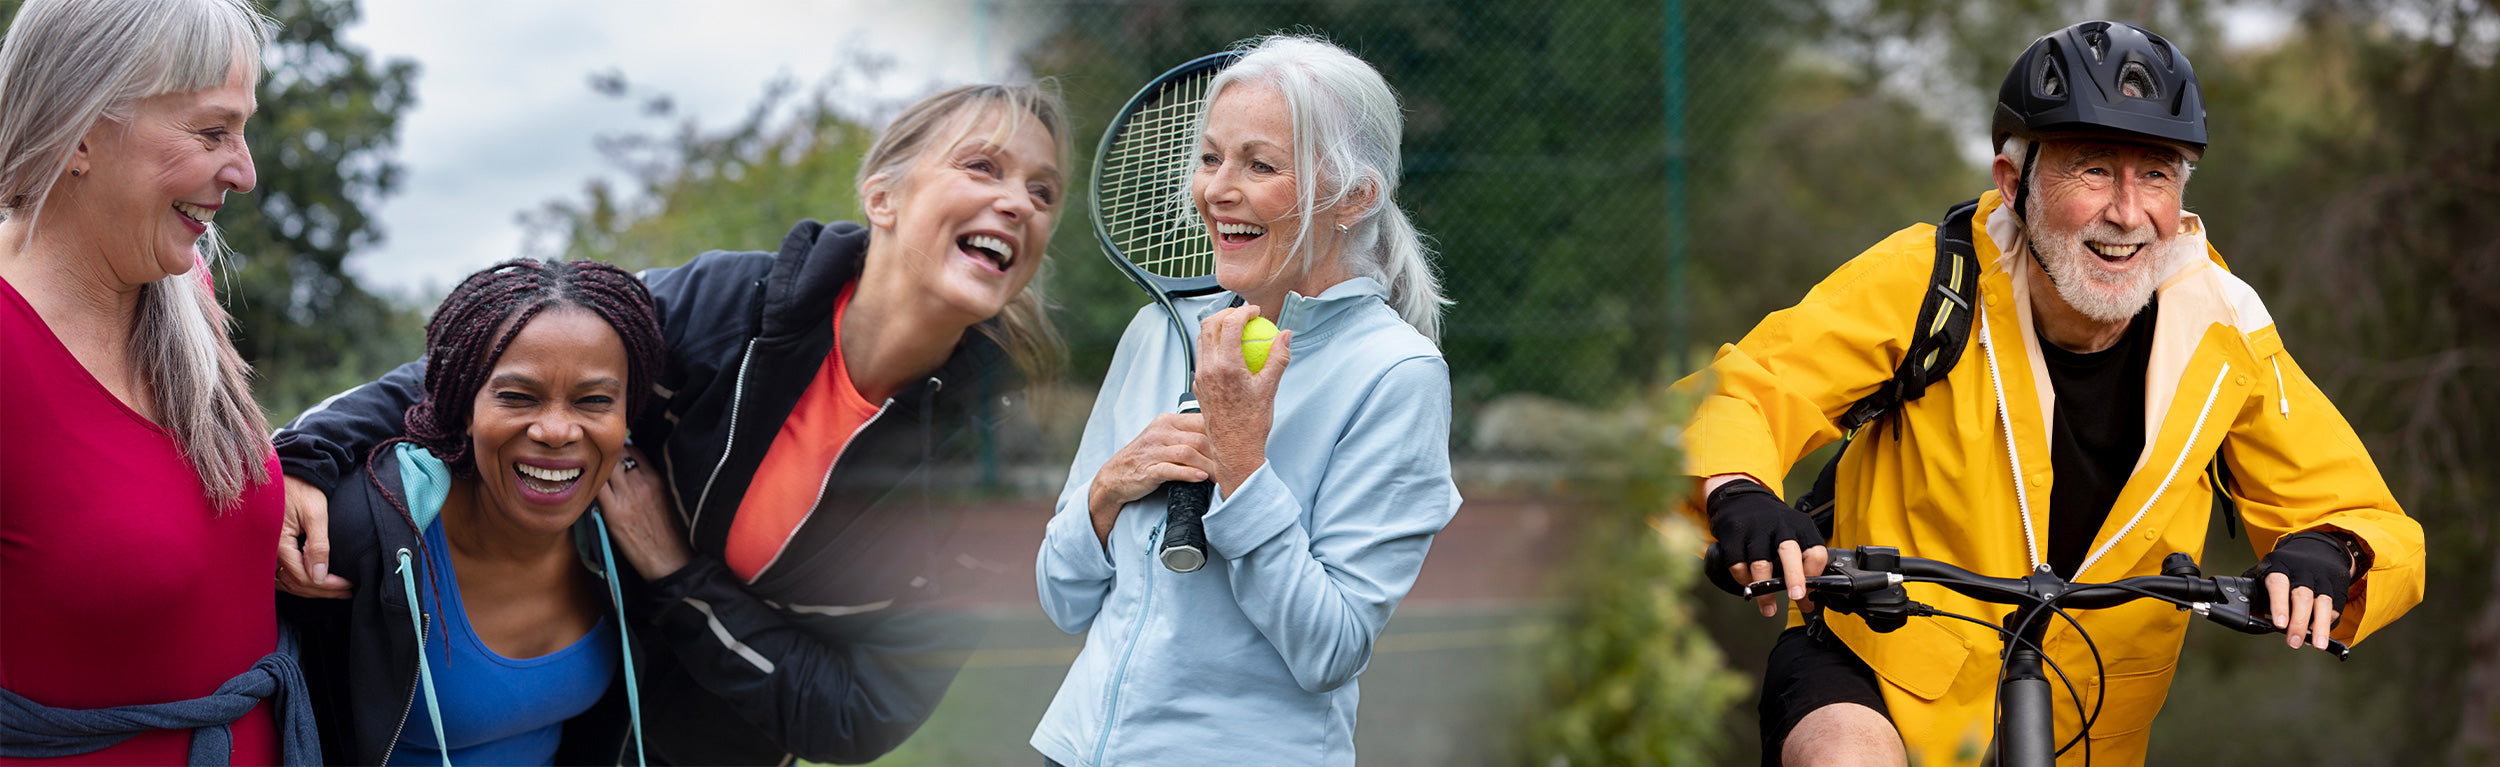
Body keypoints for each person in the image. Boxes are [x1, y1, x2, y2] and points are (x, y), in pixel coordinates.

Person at [1682, 20, 2427, 767]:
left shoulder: (2221, 332)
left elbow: (2360, 514)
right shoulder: (1931, 283)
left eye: (2156, 175)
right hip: (1874, 666)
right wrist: (1739, 490)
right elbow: (1746, 390)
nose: (2128, 213)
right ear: (2016, 185)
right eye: (2094, 170)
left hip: (2086, 721)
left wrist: (2330, 552)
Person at [270, 84, 1070, 764]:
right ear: (882, 197)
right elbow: (496, 366)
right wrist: (307, 455)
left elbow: (861, 713)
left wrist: (678, 574)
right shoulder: (727, 307)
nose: (1016, 202)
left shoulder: (992, 455)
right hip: (576, 717)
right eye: (983, 166)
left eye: (1042, 192)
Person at [1031, 34, 1462, 767]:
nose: (1216, 189)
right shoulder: (1156, 333)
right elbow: (1063, 597)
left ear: (1354, 197)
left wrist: (1241, 459)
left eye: (1259, 164)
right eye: (1209, 157)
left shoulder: (1398, 373)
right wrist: (1107, 490)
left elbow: (1327, 648)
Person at [0, 0, 318, 763]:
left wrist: (294, 478)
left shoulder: (185, 287)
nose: (244, 171)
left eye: (242, 130)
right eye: (212, 132)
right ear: (79, 132)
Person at [278, 259, 659, 765]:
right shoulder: (360, 531)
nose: (557, 430)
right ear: (463, 407)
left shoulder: (626, 528)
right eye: (518, 397)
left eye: (593, 401)